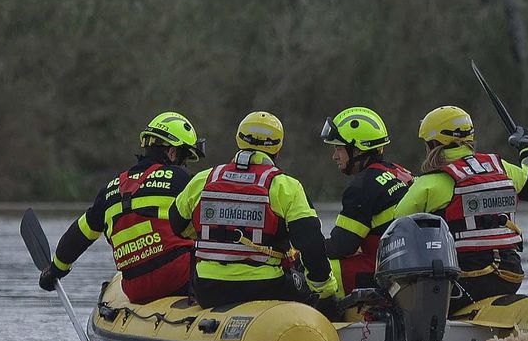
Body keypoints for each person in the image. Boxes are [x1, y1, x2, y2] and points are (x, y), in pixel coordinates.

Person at [170, 110, 340, 309]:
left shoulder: (204, 178)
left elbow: (177, 225)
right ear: (278, 149)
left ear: (239, 140)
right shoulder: (285, 186)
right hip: (265, 287)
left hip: (207, 288)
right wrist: (326, 292)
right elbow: (311, 244)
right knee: (311, 292)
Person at [392, 105, 528, 308]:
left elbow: (397, 224)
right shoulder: (501, 167)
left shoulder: (431, 183)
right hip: (511, 275)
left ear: (433, 143)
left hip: (466, 280)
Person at [39, 111, 203, 304]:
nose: (183, 165)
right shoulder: (181, 180)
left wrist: (55, 270)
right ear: (172, 152)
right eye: (184, 158)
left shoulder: (109, 190)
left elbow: (78, 235)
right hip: (180, 280)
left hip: (136, 290)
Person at [319, 106, 413, 291]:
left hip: (387, 271)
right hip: (409, 266)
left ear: (358, 150)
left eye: (339, 148)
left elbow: (341, 246)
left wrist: (306, 248)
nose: (334, 156)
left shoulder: (363, 186)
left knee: (315, 268)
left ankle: (329, 316)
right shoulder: (400, 171)